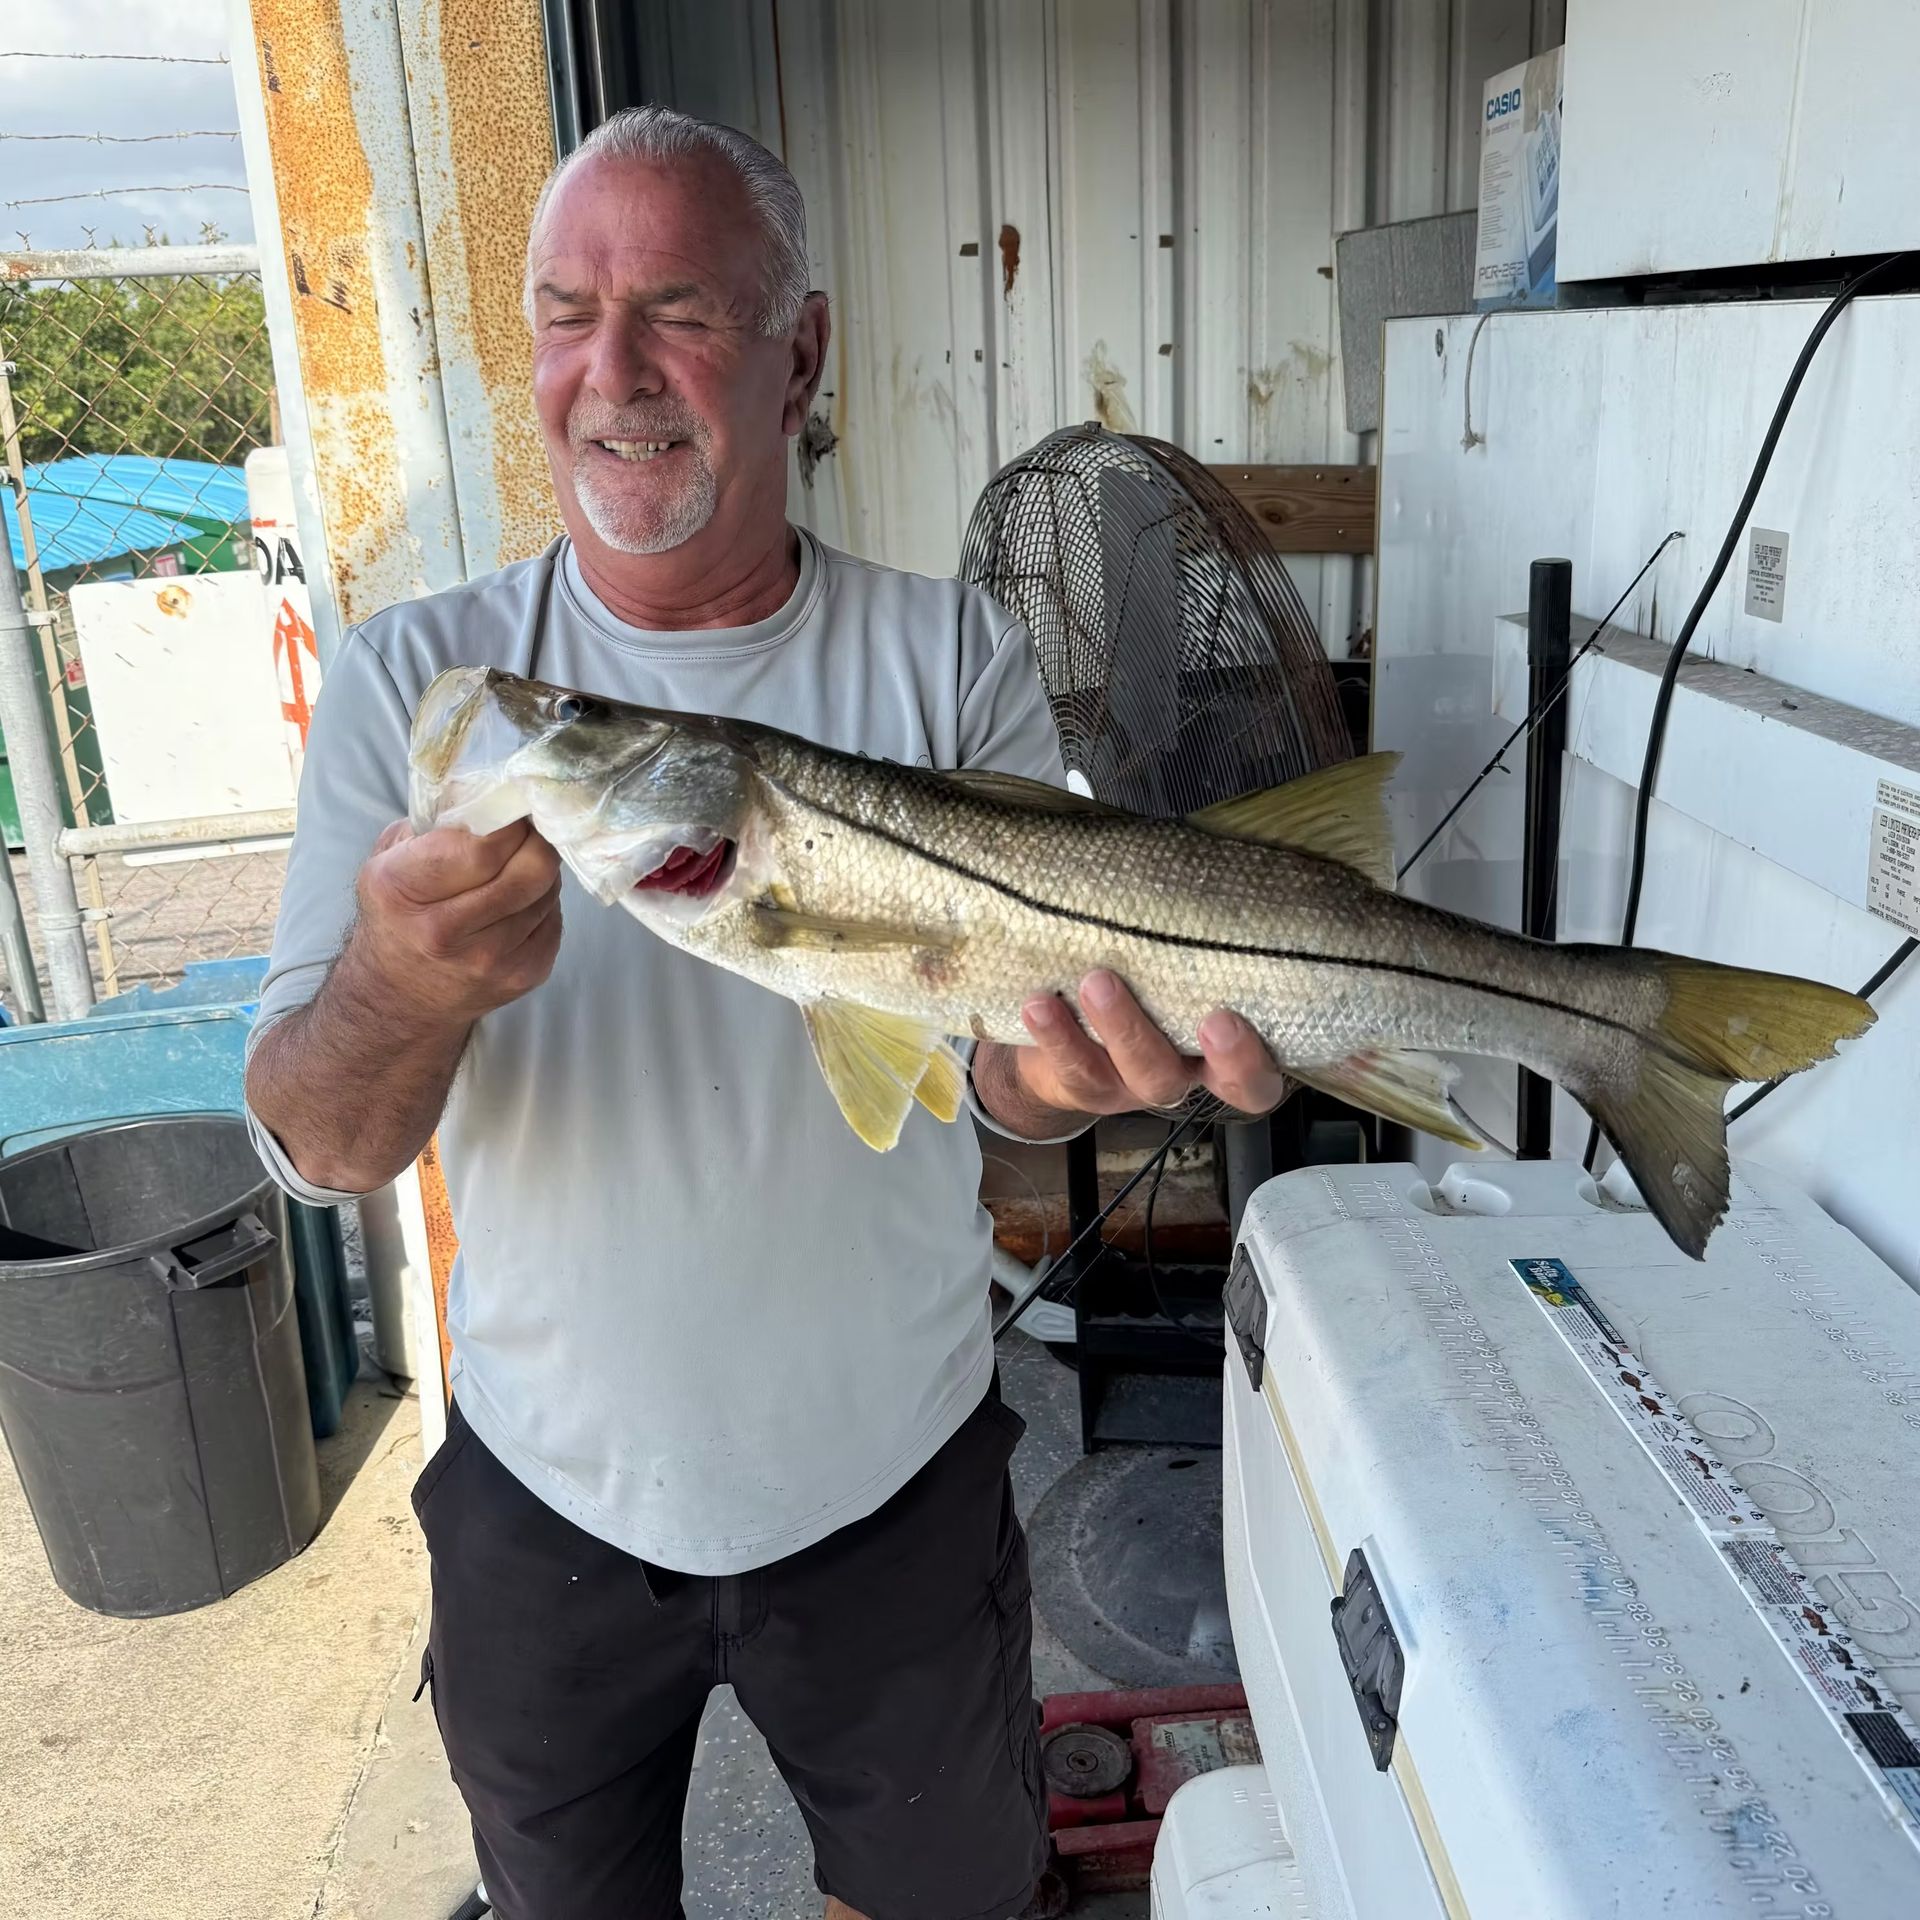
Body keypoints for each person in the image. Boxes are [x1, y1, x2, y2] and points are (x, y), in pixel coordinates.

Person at [244, 105, 1287, 1920]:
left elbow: (998, 1078)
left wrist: (1054, 1090)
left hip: (891, 1477)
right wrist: (400, 988)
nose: (612, 373)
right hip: (544, 1494)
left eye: (682, 313)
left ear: (801, 349)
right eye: (568, 312)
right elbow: (318, 1145)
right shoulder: (427, 682)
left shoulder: (949, 652)